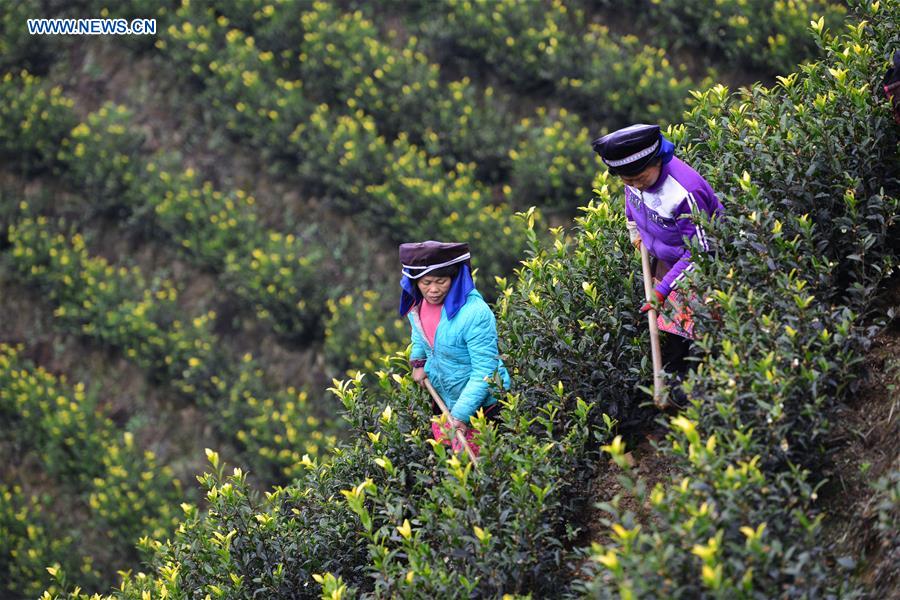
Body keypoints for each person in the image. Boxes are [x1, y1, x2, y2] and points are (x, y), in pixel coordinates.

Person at [591, 124, 723, 394]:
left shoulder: (684, 193)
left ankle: (700, 392)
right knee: (675, 330)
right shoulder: (635, 179)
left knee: (698, 331)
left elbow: (701, 252)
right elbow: (633, 202)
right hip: (669, 257)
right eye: (628, 181)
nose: (636, 185)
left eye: (640, 178)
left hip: (700, 264)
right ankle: (674, 383)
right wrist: (633, 230)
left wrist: (663, 290)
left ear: (658, 160)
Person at [399, 241, 511, 453]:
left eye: (441, 281)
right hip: (445, 398)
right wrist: (418, 361)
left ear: (455, 278)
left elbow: (485, 372)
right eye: (426, 282)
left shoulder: (475, 314)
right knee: (454, 469)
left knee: (485, 470)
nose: (433, 290)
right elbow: (420, 332)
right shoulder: (418, 305)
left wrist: (461, 414)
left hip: (483, 407)